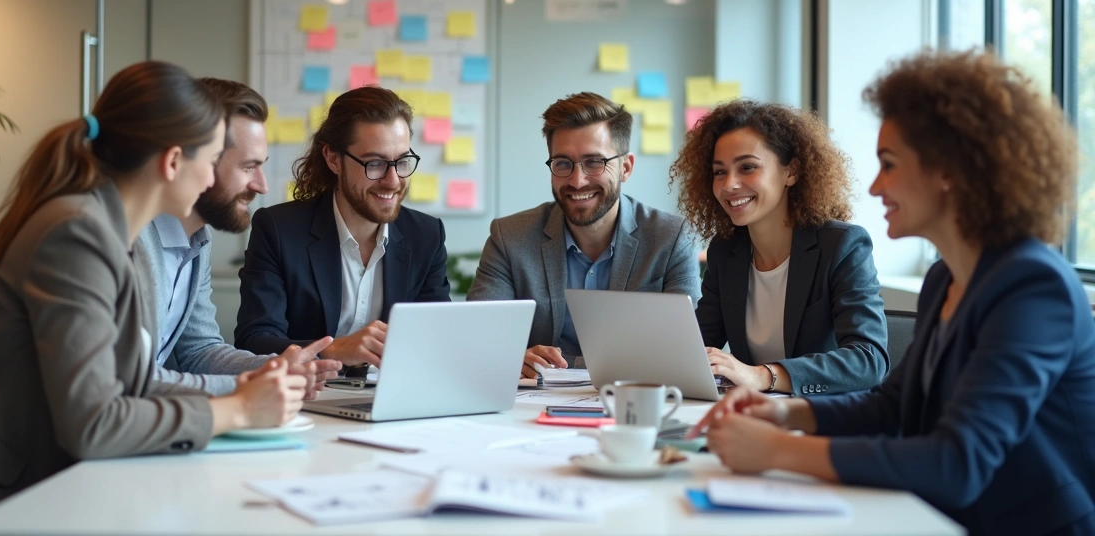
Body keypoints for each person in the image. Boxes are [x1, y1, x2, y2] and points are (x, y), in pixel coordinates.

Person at [690, 50, 1095, 536]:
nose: (877, 185)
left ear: (949, 170)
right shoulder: (946, 279)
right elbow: (892, 406)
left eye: (889, 164)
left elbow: (957, 463)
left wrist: (780, 449)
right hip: (936, 516)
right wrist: (781, 412)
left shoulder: (1033, 286)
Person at [0, 62, 310, 536]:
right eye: (213, 158)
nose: (212, 180)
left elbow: (130, 384)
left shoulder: (110, 232)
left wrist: (249, 388)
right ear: (173, 161)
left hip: (53, 487)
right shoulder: (77, 233)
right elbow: (94, 423)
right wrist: (237, 408)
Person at [468, 92, 700, 377]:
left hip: (633, 402)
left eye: (594, 162)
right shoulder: (510, 238)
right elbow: (479, 340)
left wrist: (573, 366)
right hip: (530, 408)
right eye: (563, 163)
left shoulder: (670, 238)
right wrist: (511, 357)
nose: (577, 181)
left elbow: (683, 353)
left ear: (625, 167)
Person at [670, 99, 887, 395]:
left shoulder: (841, 246)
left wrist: (763, 376)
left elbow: (868, 360)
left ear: (791, 172)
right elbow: (696, 347)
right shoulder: (726, 252)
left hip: (822, 421)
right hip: (752, 417)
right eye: (719, 172)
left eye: (747, 167)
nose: (729, 184)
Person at [139, 78, 340, 395]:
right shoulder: (129, 242)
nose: (262, 186)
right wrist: (249, 386)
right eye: (249, 167)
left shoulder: (198, 241)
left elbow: (200, 351)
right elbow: (130, 380)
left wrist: (276, 368)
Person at [235, 86, 451, 366]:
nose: (394, 180)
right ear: (334, 159)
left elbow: (436, 338)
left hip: (391, 398)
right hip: (305, 395)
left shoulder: (426, 235)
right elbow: (255, 338)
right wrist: (335, 350)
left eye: (402, 162)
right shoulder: (278, 230)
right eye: (375, 163)